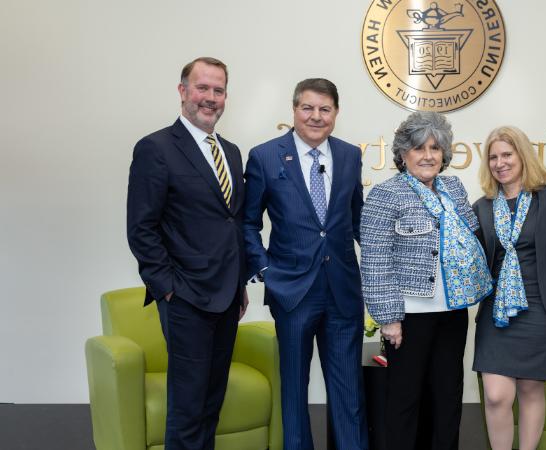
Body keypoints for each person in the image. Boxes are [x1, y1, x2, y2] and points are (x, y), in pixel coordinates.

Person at [126, 56, 248, 449]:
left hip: (227, 296)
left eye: (218, 90)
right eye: (202, 88)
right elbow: (141, 227)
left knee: (212, 401)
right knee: (188, 406)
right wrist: (166, 288)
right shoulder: (156, 148)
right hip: (185, 298)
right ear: (183, 92)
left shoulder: (230, 152)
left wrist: (240, 283)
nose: (210, 98)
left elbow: (231, 222)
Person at [242, 78, 368, 450]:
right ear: (294, 110)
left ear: (336, 113)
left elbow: (356, 219)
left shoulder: (348, 155)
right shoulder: (265, 156)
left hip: (343, 290)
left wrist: (383, 264)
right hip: (292, 291)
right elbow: (248, 222)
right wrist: (265, 270)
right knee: (294, 390)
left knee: (349, 393)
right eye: (308, 108)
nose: (316, 116)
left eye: (324, 109)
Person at [361, 111, 493, 450]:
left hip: (452, 312)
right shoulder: (384, 194)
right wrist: (388, 318)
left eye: (435, 148)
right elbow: (375, 262)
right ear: (403, 154)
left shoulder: (453, 188)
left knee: (448, 394)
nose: (428, 155)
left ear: (445, 154)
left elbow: (471, 238)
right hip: (408, 318)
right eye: (419, 148)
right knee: (405, 399)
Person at [471, 126, 546, 450]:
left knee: (531, 390)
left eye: (507, 154)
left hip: (541, 310)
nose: (500, 163)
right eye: (494, 157)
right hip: (496, 314)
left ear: (522, 155)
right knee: (497, 396)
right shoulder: (483, 207)